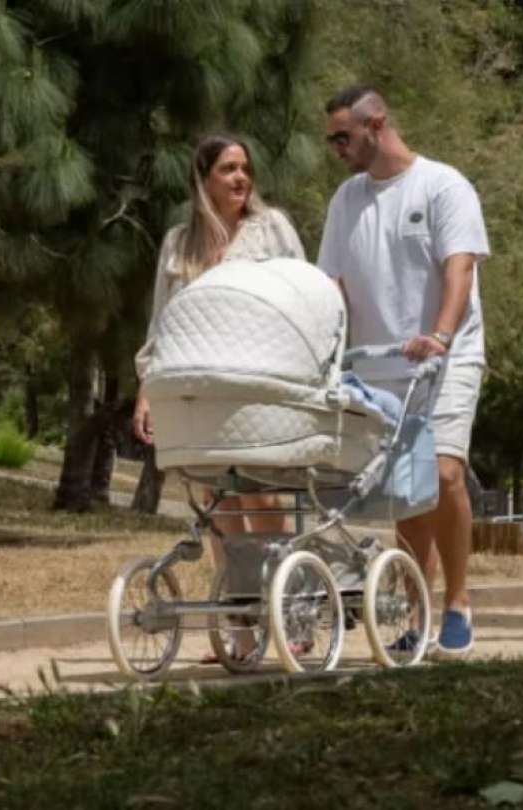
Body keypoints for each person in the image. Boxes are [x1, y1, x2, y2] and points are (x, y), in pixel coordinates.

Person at [317, 85, 488, 660]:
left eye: (344, 136)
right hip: (379, 368)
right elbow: (333, 284)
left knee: (441, 475)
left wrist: (440, 334)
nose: (337, 148)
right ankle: (419, 612)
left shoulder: (442, 185)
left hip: (447, 356)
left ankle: (459, 603)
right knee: (406, 495)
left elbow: (459, 268)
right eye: (331, 139)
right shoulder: (346, 200)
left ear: (377, 124)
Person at [133, 133, 305, 661]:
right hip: (199, 391)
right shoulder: (178, 244)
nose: (241, 179)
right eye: (228, 169)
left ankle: (291, 614)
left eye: (245, 169)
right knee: (218, 505)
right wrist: (146, 391)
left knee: (264, 499)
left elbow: (303, 295)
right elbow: (164, 322)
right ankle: (242, 627)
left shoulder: (271, 229)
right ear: (203, 179)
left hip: (261, 383)